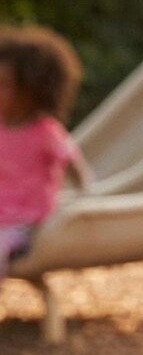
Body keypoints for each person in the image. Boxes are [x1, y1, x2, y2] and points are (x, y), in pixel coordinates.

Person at [0, 24, 91, 275]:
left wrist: (85, 204)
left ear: (31, 90)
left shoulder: (45, 132)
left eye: (5, 85)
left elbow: (76, 166)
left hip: (24, 222)